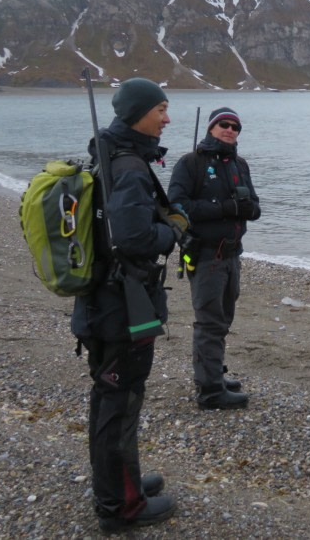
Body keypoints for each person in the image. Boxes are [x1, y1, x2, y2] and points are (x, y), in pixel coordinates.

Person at [71, 78, 185, 532]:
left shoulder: (106, 157)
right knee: (120, 399)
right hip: (122, 308)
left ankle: (121, 483)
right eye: (160, 109)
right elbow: (133, 239)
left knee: (108, 397)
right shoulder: (131, 166)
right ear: (137, 113)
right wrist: (174, 229)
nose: (167, 117)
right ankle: (121, 506)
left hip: (100, 302)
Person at [167, 107, 261, 410]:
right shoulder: (190, 164)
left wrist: (249, 209)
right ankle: (209, 391)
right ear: (211, 128)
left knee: (223, 319)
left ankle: (213, 373)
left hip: (233, 255)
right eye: (224, 124)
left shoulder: (239, 165)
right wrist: (225, 208)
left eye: (235, 126)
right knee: (208, 322)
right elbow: (177, 207)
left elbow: (255, 207)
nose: (230, 130)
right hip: (206, 255)